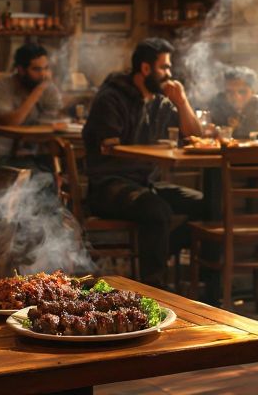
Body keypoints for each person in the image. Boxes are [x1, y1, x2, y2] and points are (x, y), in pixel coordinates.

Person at [82, 38, 207, 288]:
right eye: (164, 68)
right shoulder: (112, 98)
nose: (169, 74)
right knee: (157, 211)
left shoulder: (161, 100)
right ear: (146, 69)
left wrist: (182, 102)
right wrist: (154, 150)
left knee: (206, 205)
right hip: (109, 185)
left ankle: (170, 261)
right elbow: (110, 147)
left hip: (145, 183)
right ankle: (154, 287)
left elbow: (196, 137)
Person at [0, 42, 63, 126]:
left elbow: (57, 120)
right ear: (21, 70)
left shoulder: (48, 87)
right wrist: (37, 92)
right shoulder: (2, 87)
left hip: (41, 138)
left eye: (46, 68)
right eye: (36, 69)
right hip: (9, 138)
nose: (43, 74)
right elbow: (11, 122)